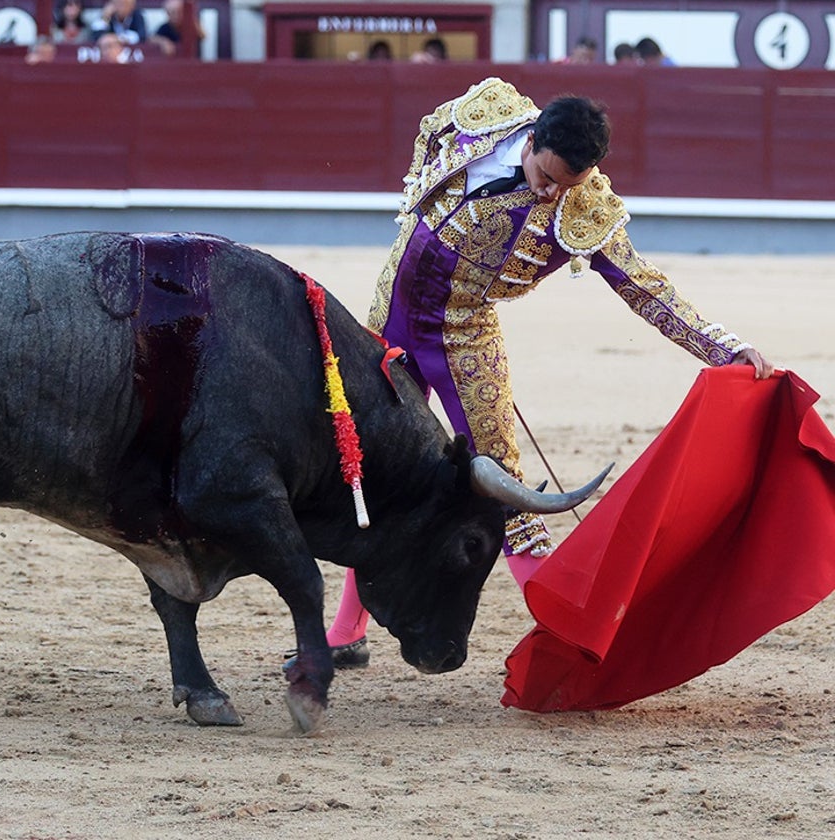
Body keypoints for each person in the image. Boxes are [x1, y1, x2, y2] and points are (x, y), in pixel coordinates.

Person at [306, 77, 773, 669]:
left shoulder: (584, 209)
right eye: (546, 176)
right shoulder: (487, 113)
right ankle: (346, 632)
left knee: (510, 493)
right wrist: (415, 215)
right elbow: (431, 140)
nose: (552, 192)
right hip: (386, 321)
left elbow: (645, 288)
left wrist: (725, 349)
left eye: (567, 184)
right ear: (530, 141)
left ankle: (569, 642)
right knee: (371, 470)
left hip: (463, 336)